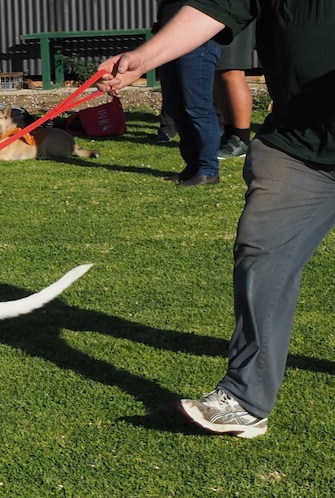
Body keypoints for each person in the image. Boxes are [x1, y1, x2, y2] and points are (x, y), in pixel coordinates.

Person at [98, 1, 335, 438]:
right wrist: (142, 59)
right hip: (296, 148)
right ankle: (245, 398)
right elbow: (212, 8)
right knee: (261, 255)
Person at [153, 0, 222, 187]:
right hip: (169, 38)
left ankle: (208, 170)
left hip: (198, 41)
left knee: (197, 107)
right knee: (176, 107)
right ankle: (193, 166)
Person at [214, 22, 255, 160]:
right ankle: (229, 133)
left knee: (232, 70)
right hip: (216, 14)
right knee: (219, 71)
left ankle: (241, 138)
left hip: (235, 14)